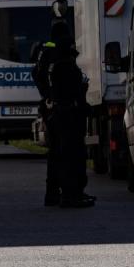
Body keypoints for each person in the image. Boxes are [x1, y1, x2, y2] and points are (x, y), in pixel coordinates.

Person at [46, 22, 95, 208]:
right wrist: (83, 91)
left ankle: (62, 193)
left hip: (58, 114)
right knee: (71, 156)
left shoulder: (54, 66)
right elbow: (74, 94)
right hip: (69, 117)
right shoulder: (65, 68)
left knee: (59, 156)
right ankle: (70, 195)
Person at [32, 23, 63, 207]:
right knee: (62, 151)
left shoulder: (45, 50)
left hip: (50, 107)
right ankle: (62, 191)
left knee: (54, 152)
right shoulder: (59, 50)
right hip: (59, 108)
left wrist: (46, 95)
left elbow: (35, 73)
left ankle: (53, 192)